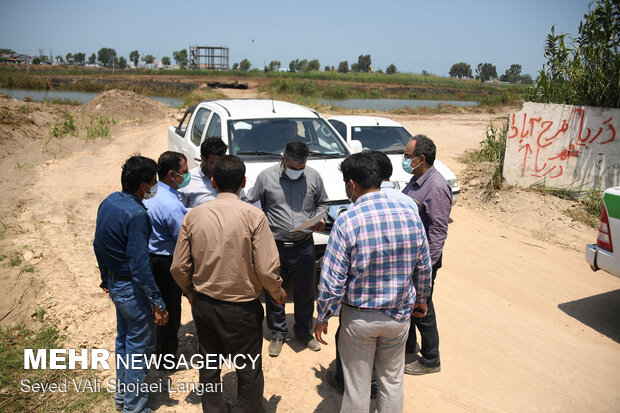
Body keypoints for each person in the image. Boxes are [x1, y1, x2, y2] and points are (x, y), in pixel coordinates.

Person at [314, 152, 432, 412]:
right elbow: (423, 265)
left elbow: (332, 280)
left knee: (357, 386)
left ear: (352, 184)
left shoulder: (347, 220)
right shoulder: (410, 213)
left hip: (360, 319)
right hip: (399, 316)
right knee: (392, 381)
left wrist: (323, 315)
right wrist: (422, 299)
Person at [170, 155, 286, 413]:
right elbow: (267, 269)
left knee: (209, 368)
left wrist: (190, 292)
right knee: (248, 370)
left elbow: (178, 267)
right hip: (242, 308)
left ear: (213, 182)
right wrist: (276, 292)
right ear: (244, 182)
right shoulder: (254, 216)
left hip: (206, 306)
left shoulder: (193, 216)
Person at [93, 155, 169, 413]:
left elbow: (97, 244)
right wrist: (158, 303)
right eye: (154, 181)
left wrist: (106, 278)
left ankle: (122, 398)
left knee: (124, 342)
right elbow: (139, 266)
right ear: (143, 185)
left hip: (116, 284)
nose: (155, 185)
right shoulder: (137, 215)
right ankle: (135, 408)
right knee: (139, 349)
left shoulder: (110, 202)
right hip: (131, 290)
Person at [246, 141, 329, 357]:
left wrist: (321, 219)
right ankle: (277, 333)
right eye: (293, 167)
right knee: (274, 290)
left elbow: (323, 203)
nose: (297, 171)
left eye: (301, 168)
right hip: (275, 245)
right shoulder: (266, 177)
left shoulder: (314, 177)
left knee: (306, 291)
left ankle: (303, 331)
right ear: (284, 159)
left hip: (304, 245)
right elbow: (252, 203)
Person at [401, 134, 452, 375]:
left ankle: (431, 358)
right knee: (409, 302)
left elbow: (438, 231)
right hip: (410, 259)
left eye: (407, 156)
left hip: (423, 262)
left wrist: (426, 267)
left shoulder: (437, 187)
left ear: (421, 158)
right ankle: (408, 346)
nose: (404, 160)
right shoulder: (416, 180)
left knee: (423, 307)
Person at [143, 151, 189, 365]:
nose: (186, 176)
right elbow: (183, 237)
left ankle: (155, 350)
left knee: (155, 306)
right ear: (172, 174)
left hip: (150, 258)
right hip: (166, 261)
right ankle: (166, 358)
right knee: (170, 308)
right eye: (184, 172)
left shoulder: (150, 193)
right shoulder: (170, 204)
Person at [177, 138, 228, 208]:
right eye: (213, 163)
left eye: (222, 161)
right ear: (203, 159)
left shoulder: (230, 176)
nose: (219, 166)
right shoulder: (187, 181)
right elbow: (180, 211)